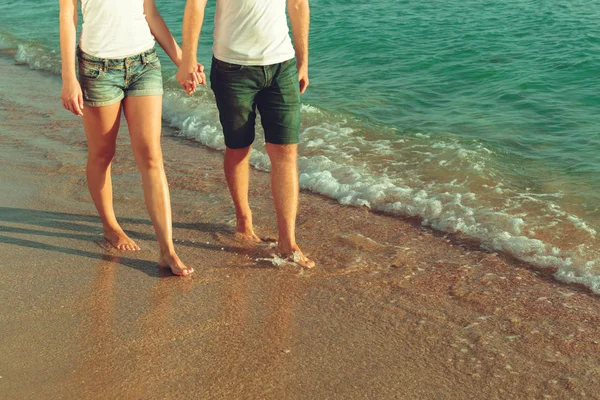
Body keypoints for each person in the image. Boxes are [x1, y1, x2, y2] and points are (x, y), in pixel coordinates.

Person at [59, 0, 202, 276]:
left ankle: (167, 250)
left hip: (144, 63)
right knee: (102, 153)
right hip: (97, 69)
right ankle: (111, 226)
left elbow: (149, 11)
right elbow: (68, 15)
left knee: (151, 154)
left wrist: (183, 60)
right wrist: (68, 77)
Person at [176, 0, 315, 268]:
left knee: (286, 151)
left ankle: (288, 241)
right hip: (232, 69)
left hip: (281, 66)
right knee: (239, 148)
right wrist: (188, 60)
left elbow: (298, 4)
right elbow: (195, 4)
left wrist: (303, 60)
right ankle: (244, 220)